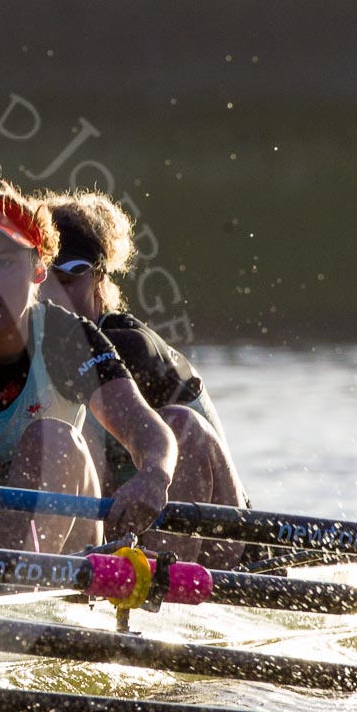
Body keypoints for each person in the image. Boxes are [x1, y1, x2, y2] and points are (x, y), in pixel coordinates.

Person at [0, 178, 177, 557]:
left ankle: (14, 592)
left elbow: (144, 425)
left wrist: (154, 477)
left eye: (4, 262)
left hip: (55, 544)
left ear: (38, 271)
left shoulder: (70, 342)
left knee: (54, 439)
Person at [38, 190, 247, 566]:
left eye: (70, 279)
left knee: (179, 425)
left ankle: (164, 595)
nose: (55, 297)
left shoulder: (127, 346)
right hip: (121, 527)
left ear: (99, 277)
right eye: (44, 279)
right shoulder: (18, 346)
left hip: (221, 543)